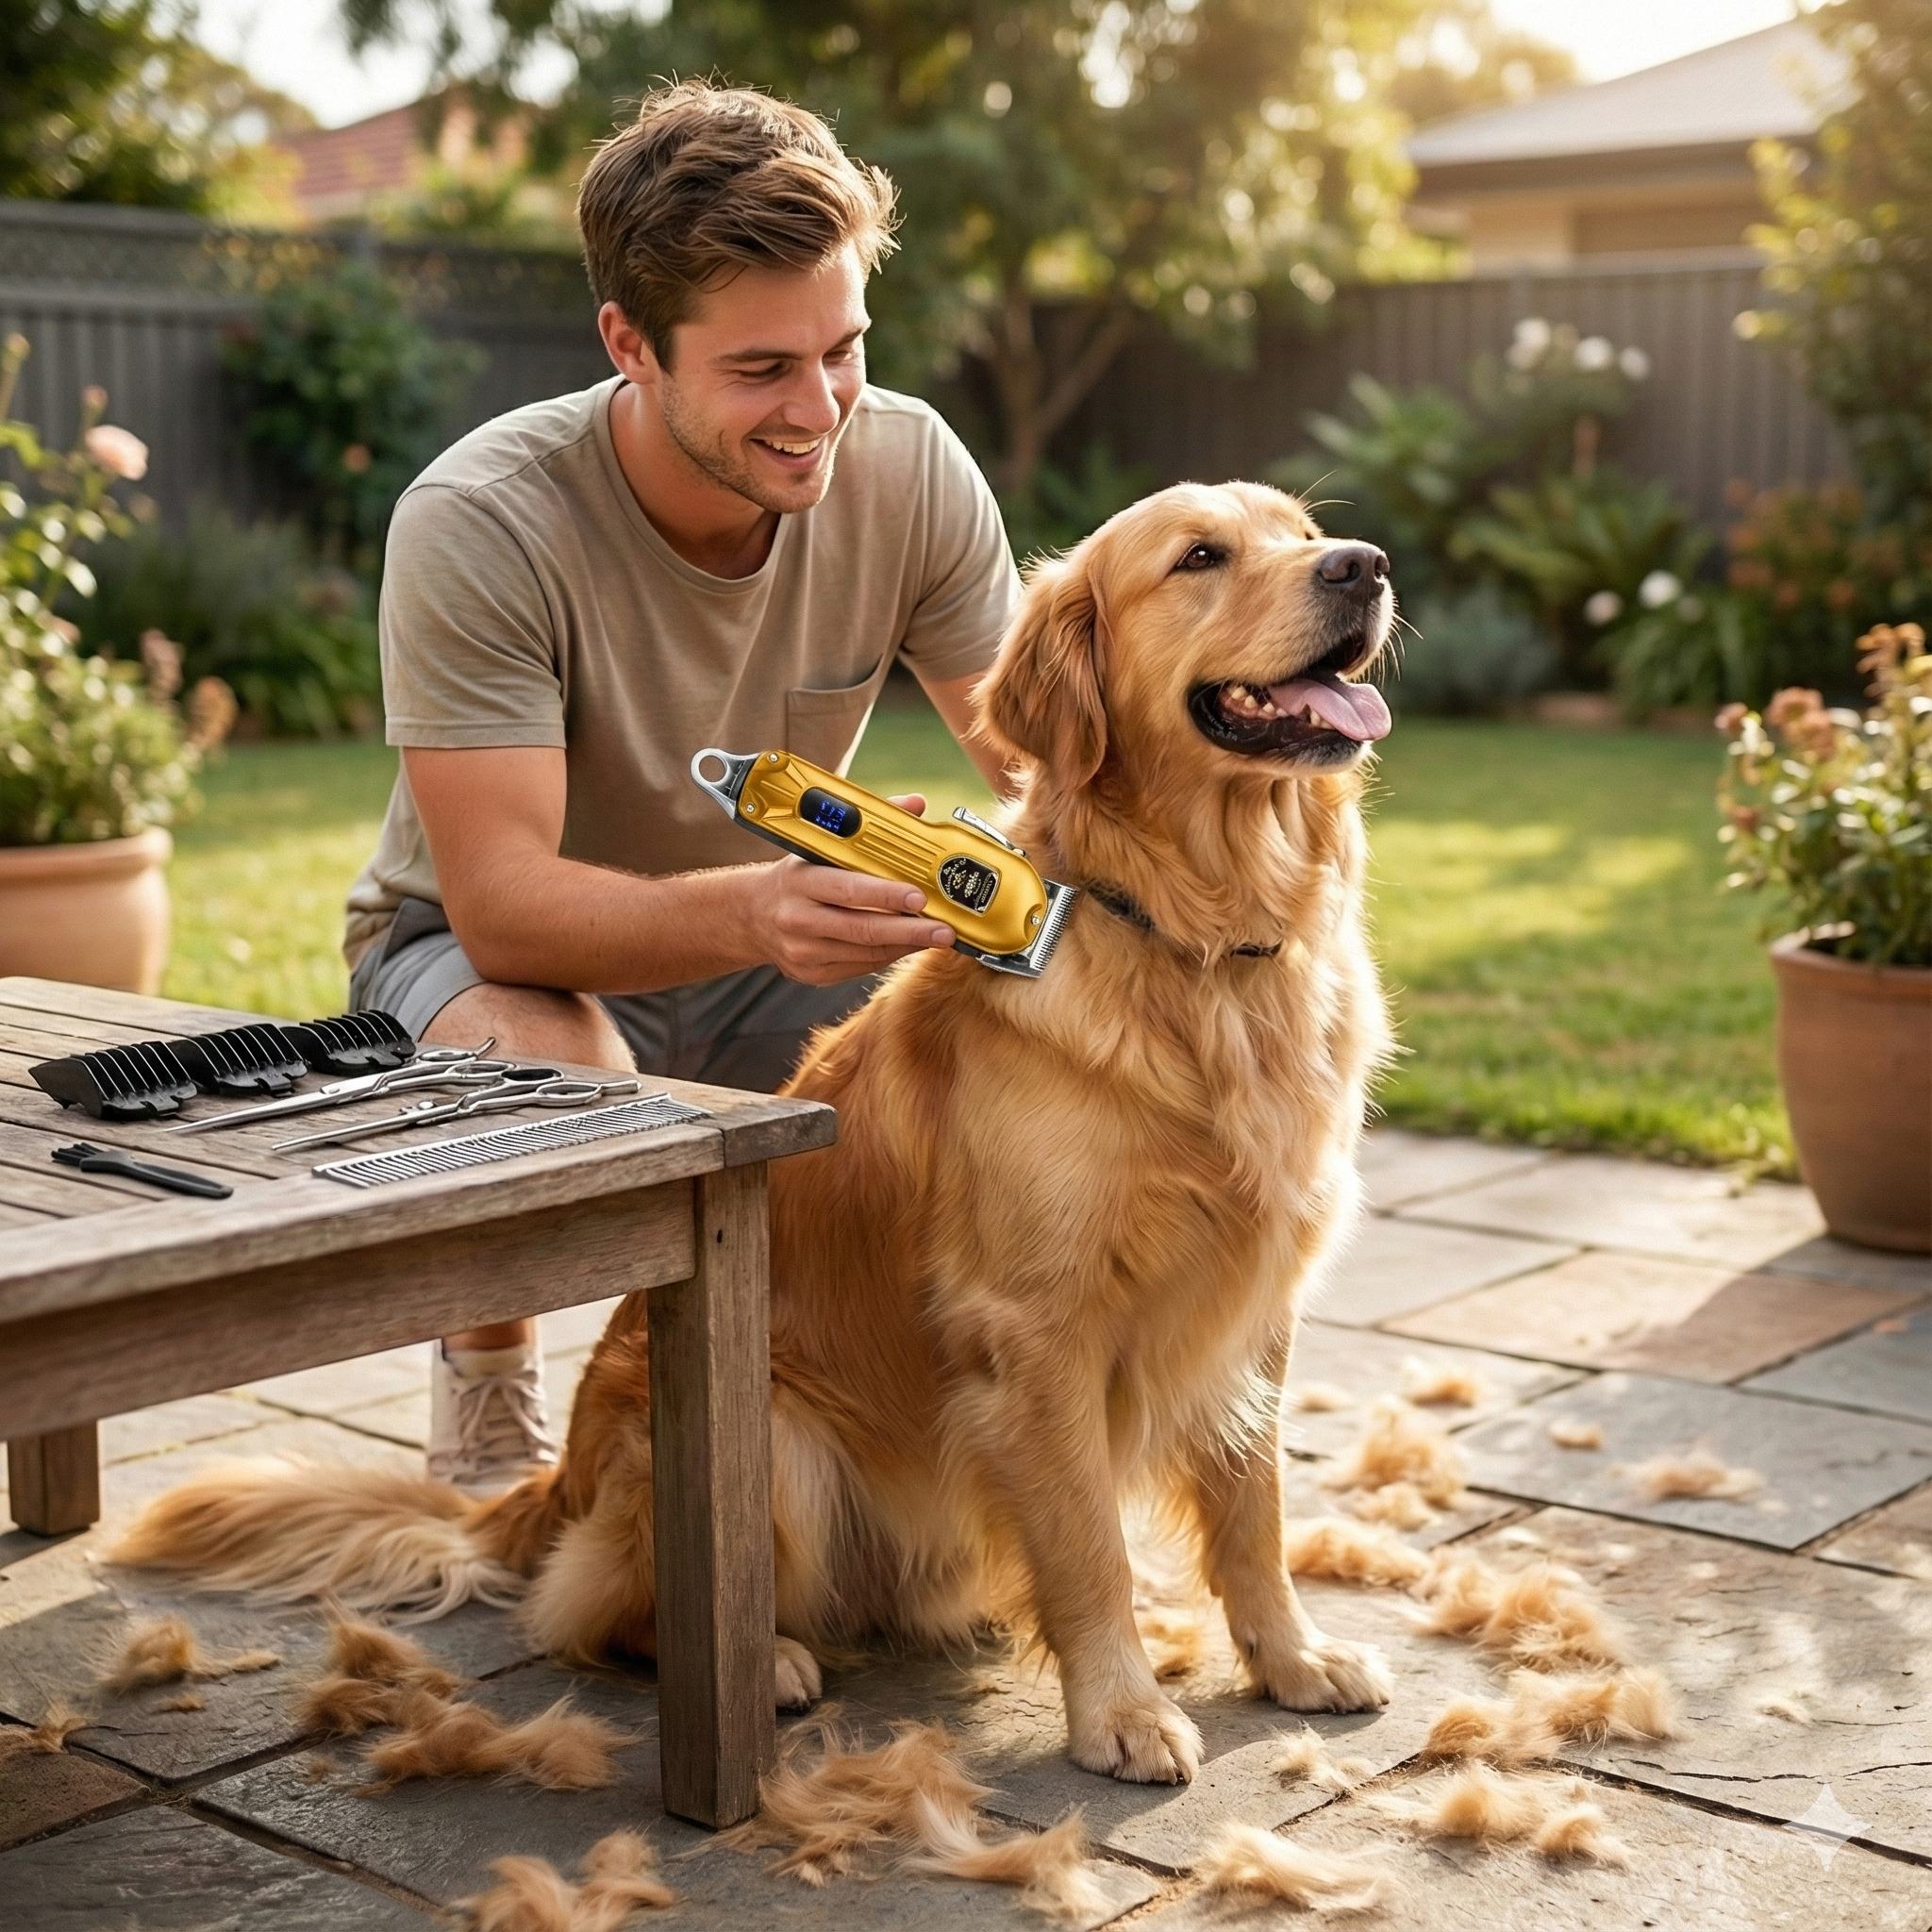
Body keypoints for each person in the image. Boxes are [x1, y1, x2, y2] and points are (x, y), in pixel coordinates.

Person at [341, 80, 1019, 1497]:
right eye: (762, 368)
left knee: (1000, 1030)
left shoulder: (910, 469)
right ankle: (490, 1370)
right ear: (629, 345)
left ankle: (908, 1413)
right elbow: (504, 907)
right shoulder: (481, 521)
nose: (819, 409)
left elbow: (1040, 769)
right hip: (486, 954)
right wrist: (763, 912)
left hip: (770, 934)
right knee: (558, 1079)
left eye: (844, 350)